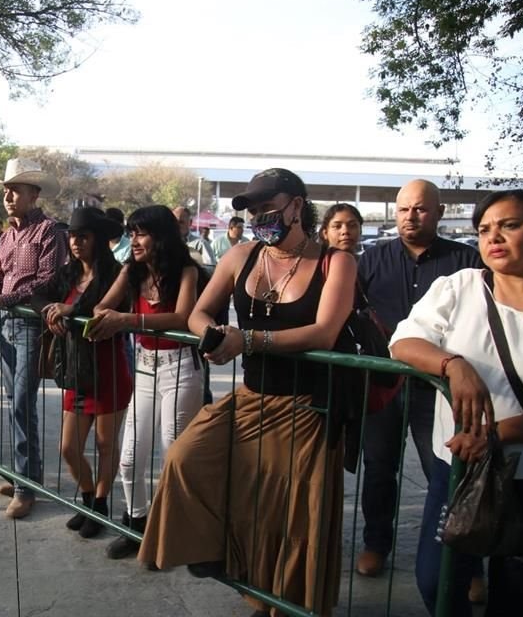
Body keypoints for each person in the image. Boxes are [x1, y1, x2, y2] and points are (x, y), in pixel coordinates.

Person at [136, 168, 357, 616]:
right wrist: (214, 335)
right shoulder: (241, 255)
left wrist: (250, 340)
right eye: (254, 209)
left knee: (290, 519)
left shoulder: (336, 261)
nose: (260, 216)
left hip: (308, 411)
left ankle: (282, 604)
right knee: (185, 459)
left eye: (268, 206)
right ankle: (233, 568)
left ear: (297, 205)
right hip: (250, 399)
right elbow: (198, 313)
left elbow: (325, 332)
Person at [390, 189, 523, 617]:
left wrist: (496, 435)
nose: (493, 237)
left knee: (515, 596)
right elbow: (403, 342)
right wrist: (452, 364)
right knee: (436, 581)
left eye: (510, 225)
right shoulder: (460, 287)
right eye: (484, 229)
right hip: (458, 472)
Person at [355, 180, 483, 580]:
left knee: (446, 471)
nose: (411, 216)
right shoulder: (371, 260)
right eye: (405, 209)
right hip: (382, 384)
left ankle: (468, 562)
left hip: (441, 386)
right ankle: (376, 544)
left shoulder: (468, 262)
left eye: (421, 209)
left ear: (440, 213)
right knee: (378, 469)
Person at [87, 204, 205, 559]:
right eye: (131, 232)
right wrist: (100, 315)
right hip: (145, 368)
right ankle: (136, 524)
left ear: (161, 236)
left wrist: (127, 320)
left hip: (181, 368)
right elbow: (102, 306)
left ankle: (173, 530)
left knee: (174, 455)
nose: (133, 240)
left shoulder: (187, 272)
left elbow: (183, 318)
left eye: (140, 232)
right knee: (129, 457)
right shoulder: (132, 271)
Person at [0, 158, 64, 519]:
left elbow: (46, 281)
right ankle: (27, 476)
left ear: (33, 195)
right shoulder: (7, 235)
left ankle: (25, 486)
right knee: (15, 401)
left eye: (15, 190)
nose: (7, 195)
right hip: (6, 323)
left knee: (21, 402)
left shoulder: (50, 231)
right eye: (6, 190)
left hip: (30, 326)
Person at [34, 207, 132, 539]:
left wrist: (72, 310)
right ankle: (89, 497)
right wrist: (51, 313)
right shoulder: (66, 274)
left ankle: (101, 504)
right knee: (69, 448)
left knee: (106, 445)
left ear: (99, 239)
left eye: (83, 236)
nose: (76, 242)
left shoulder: (117, 273)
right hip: (75, 369)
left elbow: (109, 308)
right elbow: (38, 296)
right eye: (72, 236)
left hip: (108, 369)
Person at [172, 206, 216, 271]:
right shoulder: (165, 243)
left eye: (181, 222)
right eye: (174, 222)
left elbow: (211, 269)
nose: (177, 225)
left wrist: (192, 270)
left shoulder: (201, 244)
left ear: (190, 222)